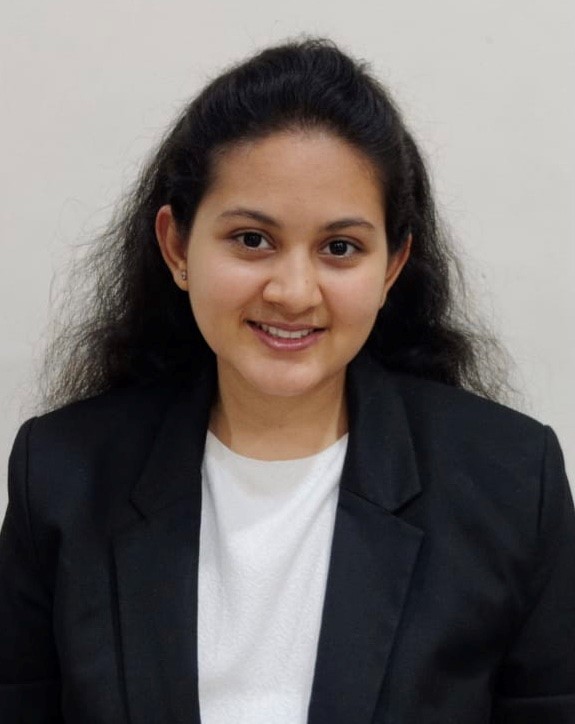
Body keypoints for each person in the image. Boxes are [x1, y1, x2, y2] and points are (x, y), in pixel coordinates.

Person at [0, 37, 573, 724]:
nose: (293, 292)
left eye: (340, 248)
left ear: (392, 267)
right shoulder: (60, 475)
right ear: (177, 246)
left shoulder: (513, 483)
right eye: (252, 239)